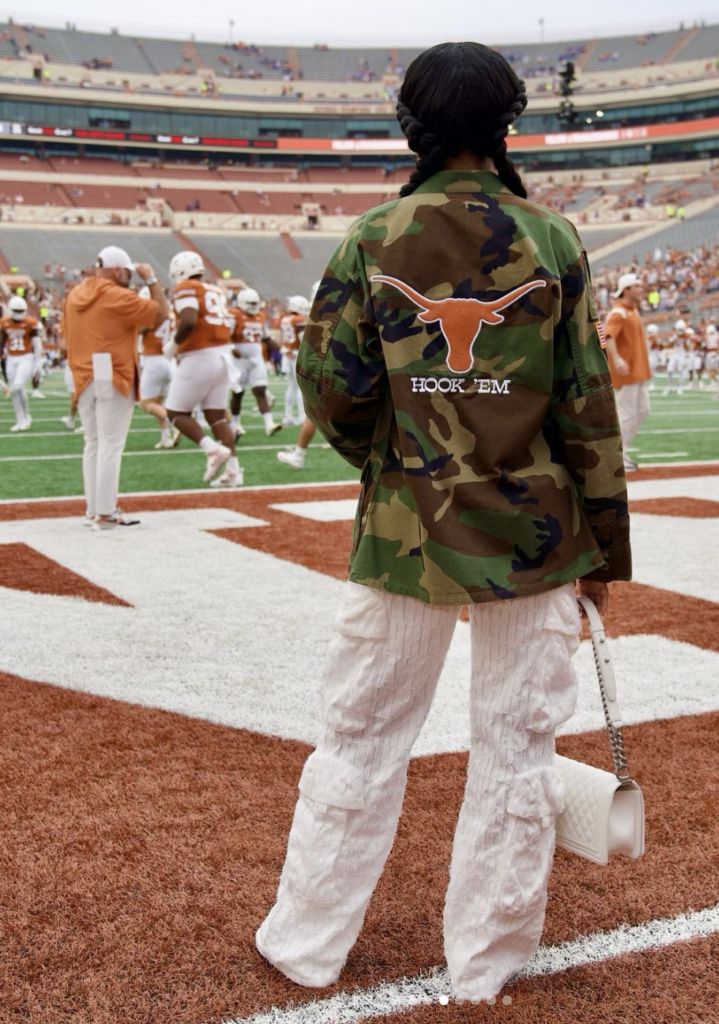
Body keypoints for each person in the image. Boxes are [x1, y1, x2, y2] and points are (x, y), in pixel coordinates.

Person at [256, 40, 631, 1005]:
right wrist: (605, 554)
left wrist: (395, 461)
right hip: (536, 534)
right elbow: (588, 405)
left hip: (402, 529)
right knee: (518, 749)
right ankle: (487, 961)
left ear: (410, 121)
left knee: (360, 736)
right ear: (508, 123)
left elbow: (331, 389)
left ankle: (306, 943)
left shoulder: (374, 237)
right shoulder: (551, 239)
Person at [61, 246, 168, 528]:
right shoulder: (117, 295)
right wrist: (151, 279)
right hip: (112, 370)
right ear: (119, 270)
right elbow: (160, 314)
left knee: (93, 444)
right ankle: (106, 511)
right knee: (111, 444)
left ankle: (93, 508)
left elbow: (66, 335)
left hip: (82, 371)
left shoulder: (74, 295)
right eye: (128, 273)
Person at [165, 251, 242, 487]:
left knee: (175, 413)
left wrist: (173, 345)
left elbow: (189, 320)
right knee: (216, 415)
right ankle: (233, 472)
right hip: (222, 356)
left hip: (199, 356)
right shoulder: (216, 290)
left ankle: (211, 450)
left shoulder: (187, 287)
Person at [604, 272, 652, 471]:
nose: (641, 290)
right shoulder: (619, 312)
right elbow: (608, 336)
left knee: (641, 411)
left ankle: (621, 452)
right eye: (637, 286)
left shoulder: (632, 311)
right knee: (626, 414)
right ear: (627, 290)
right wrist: (616, 358)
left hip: (637, 371)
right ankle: (616, 456)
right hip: (627, 372)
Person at [227, 287, 281, 437]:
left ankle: (269, 423)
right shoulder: (234, 314)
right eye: (250, 303)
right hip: (239, 360)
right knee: (238, 393)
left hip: (256, 358)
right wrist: (231, 347)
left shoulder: (261, 316)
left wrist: (278, 348)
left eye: (255, 303)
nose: (252, 306)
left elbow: (266, 337)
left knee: (260, 390)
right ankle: (235, 424)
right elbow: (225, 334)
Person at [136, 285, 180, 449]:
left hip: (154, 360)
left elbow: (136, 330)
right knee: (158, 402)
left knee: (145, 403)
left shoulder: (151, 314)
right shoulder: (170, 314)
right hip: (169, 360)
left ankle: (175, 422)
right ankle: (165, 437)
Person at [0, 295, 42, 432]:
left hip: (26, 356)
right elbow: (2, 340)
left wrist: (38, 363)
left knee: (18, 386)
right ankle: (20, 420)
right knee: (14, 390)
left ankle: (26, 416)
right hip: (11, 358)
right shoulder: (4, 322)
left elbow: (37, 344)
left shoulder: (31, 323)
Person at [279, 295, 309, 425]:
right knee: (301, 388)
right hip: (296, 354)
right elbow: (302, 337)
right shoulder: (299, 319)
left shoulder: (285, 319)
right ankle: (301, 417)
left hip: (287, 354)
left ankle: (288, 415)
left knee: (292, 386)